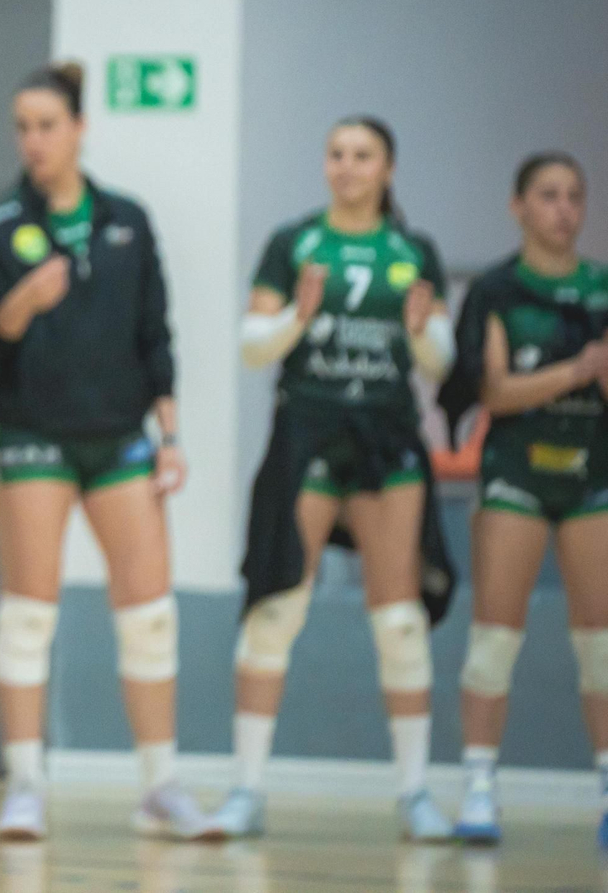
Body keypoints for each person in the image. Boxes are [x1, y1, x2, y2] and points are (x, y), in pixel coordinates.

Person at [0, 63, 212, 841]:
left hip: (121, 439)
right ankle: (26, 785)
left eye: (47, 125)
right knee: (27, 617)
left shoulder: (127, 220)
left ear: (79, 128)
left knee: (150, 617)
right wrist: (23, 301)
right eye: (23, 128)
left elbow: (155, 335)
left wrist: (170, 436)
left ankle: (160, 786)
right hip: (32, 435)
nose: (34, 141)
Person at [222, 115, 457, 841]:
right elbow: (251, 347)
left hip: (386, 436)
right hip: (308, 433)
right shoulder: (293, 242)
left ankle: (415, 794)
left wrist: (419, 330)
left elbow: (440, 362)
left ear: (388, 169)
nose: (347, 166)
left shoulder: (413, 250)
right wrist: (298, 316)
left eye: (363, 155)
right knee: (275, 612)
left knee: (400, 621)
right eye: (337, 154)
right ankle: (246, 791)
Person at [439, 153, 608, 845]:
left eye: (574, 197)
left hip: (592, 474)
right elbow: (494, 391)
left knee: (600, 645)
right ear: (518, 206)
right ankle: (480, 787)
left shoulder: (602, 287)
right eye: (548, 195)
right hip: (516, 472)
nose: (563, 210)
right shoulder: (497, 290)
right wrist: (577, 370)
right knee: (494, 639)